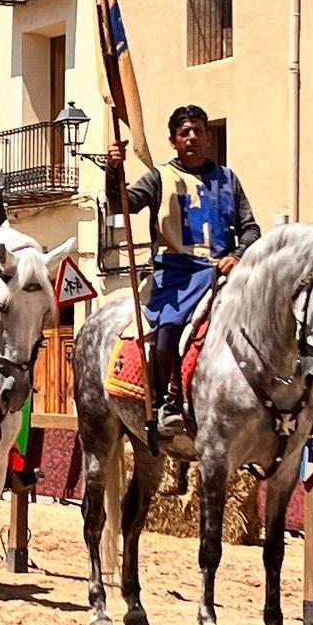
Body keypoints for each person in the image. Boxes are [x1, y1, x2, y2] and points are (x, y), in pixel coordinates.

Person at [107, 104, 259, 438]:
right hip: (176, 271)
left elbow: (250, 229)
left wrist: (237, 255)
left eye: (198, 131)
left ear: (207, 137)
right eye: (184, 132)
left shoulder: (228, 179)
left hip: (222, 270)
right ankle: (166, 403)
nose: (192, 137)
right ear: (174, 141)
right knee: (170, 325)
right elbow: (124, 204)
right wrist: (113, 171)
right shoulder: (160, 177)